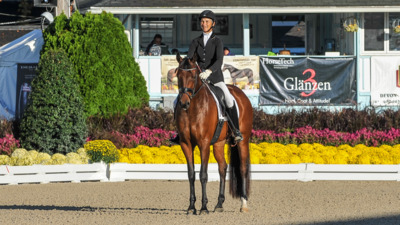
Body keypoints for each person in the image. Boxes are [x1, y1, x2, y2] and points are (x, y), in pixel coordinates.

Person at [170, 10, 243, 144]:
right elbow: (190, 58)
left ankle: (235, 130)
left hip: (215, 78)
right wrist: (182, 65)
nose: (204, 24)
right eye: (202, 22)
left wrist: (209, 71)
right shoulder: (195, 41)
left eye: (207, 21)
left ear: (213, 24)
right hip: (199, 79)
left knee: (229, 99)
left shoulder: (217, 41)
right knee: (176, 101)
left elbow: (219, 61)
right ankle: (178, 133)